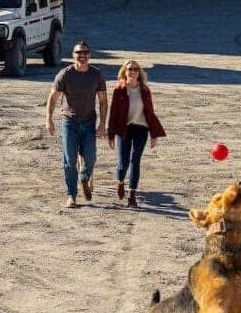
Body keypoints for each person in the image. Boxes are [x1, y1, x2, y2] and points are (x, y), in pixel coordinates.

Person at [46, 40, 108, 208]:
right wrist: (48, 119)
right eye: (78, 52)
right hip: (69, 123)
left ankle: (84, 178)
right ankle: (71, 195)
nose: (82, 55)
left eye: (85, 52)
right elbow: (53, 97)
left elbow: (103, 101)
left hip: (88, 123)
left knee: (91, 158)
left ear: (89, 55)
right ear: (73, 55)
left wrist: (103, 123)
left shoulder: (96, 75)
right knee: (69, 160)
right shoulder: (65, 74)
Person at [107, 59, 166, 208]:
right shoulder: (118, 90)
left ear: (139, 73)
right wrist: (111, 134)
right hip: (124, 129)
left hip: (141, 129)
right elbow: (113, 113)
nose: (132, 71)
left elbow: (150, 113)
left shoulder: (145, 90)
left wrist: (154, 134)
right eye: (130, 69)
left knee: (135, 161)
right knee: (123, 163)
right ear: (124, 72)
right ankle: (120, 182)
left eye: (135, 69)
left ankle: (132, 196)